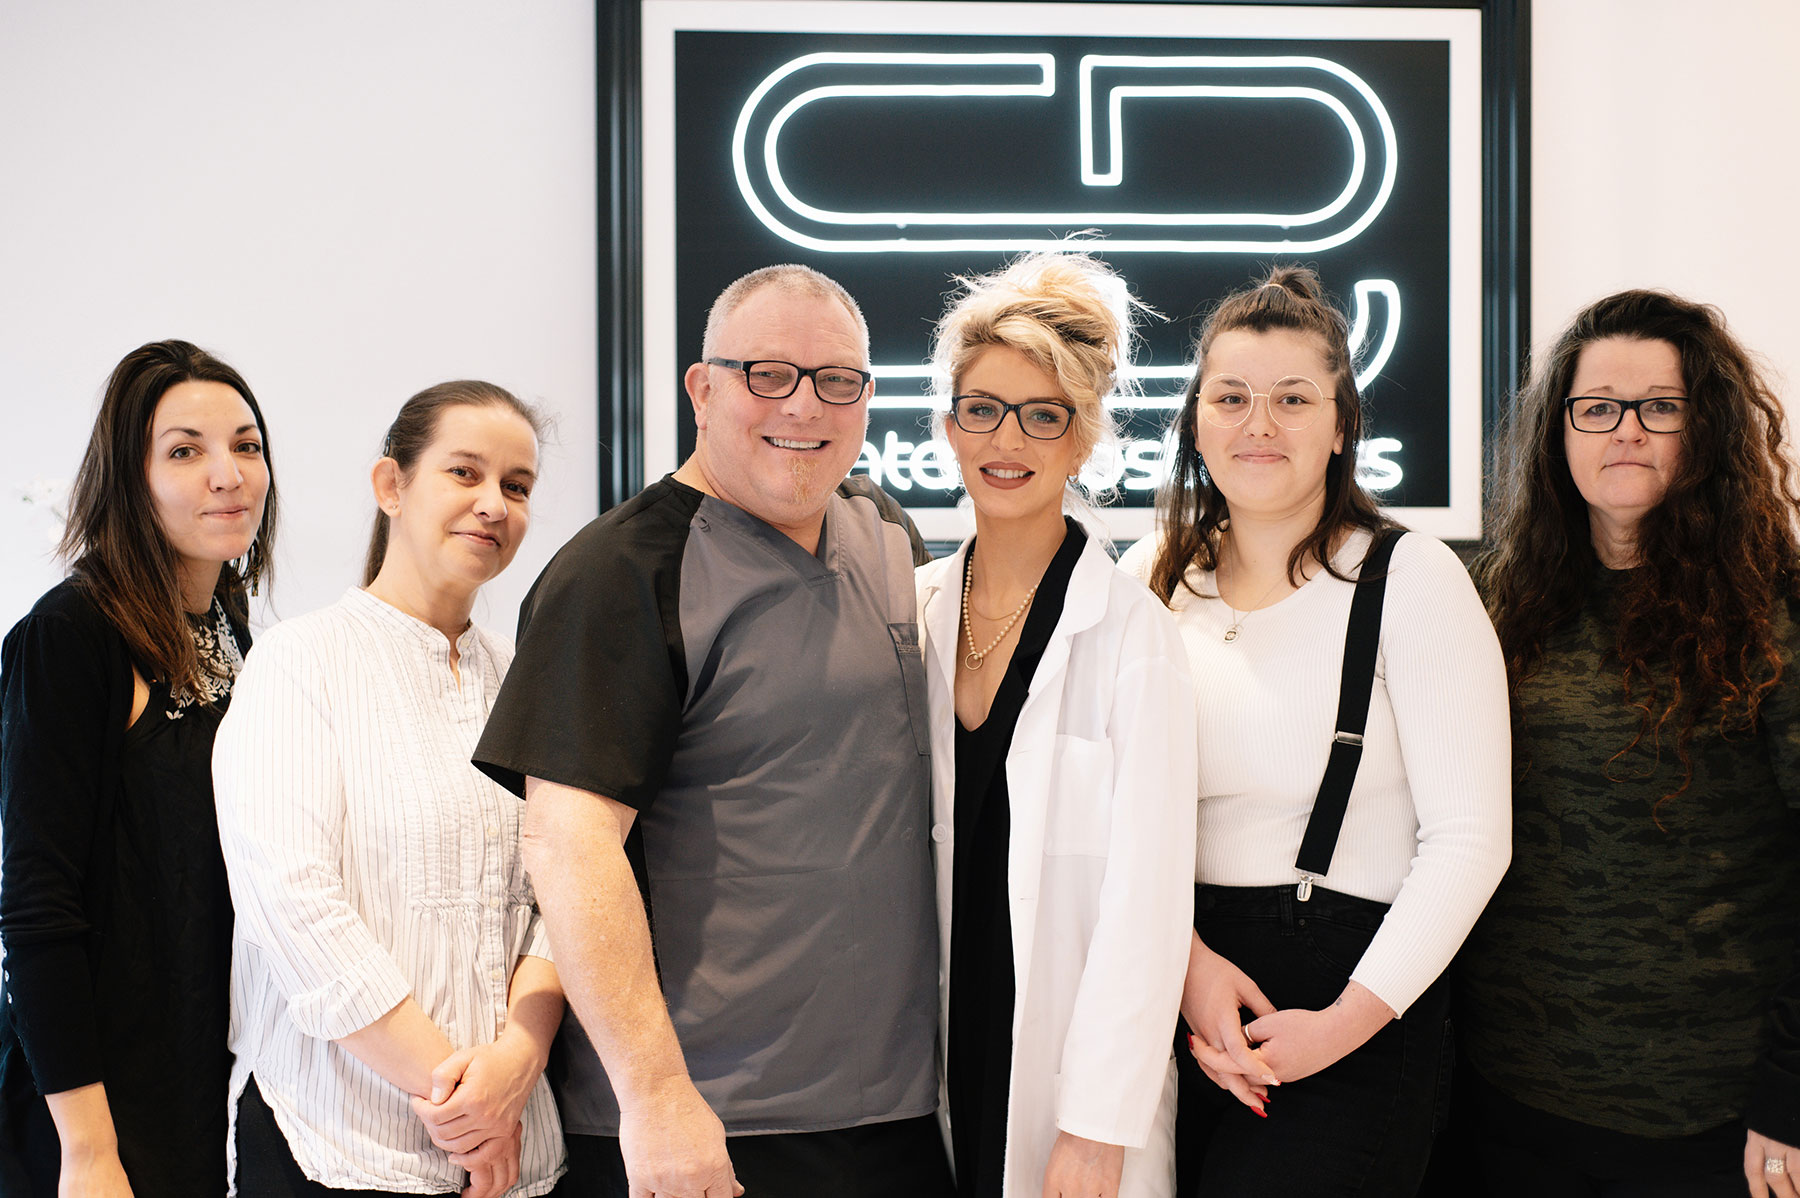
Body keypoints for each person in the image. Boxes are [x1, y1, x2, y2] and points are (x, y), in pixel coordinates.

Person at [471, 264, 951, 1198]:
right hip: (710, 1128)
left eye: (837, 380)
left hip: (896, 1116)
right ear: (702, 388)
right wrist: (657, 1098)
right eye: (767, 374)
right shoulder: (620, 572)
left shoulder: (886, 533)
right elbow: (569, 851)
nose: (805, 407)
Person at [1118, 266, 1511, 1196]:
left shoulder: (1408, 579)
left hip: (1355, 1003)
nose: (1260, 423)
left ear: (1341, 427)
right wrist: (1187, 969)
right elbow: (1108, 820)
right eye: (1232, 397)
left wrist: (1336, 1026)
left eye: (1294, 398)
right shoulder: (1149, 577)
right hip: (1175, 992)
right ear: (1196, 421)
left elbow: (1471, 841)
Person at [1459, 289, 1800, 1197]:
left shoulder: (1776, 611)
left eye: (1661, 407)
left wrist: (1791, 1094)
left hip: (1708, 1115)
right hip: (1507, 1099)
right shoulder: (1496, 601)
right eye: (1597, 408)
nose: (1626, 432)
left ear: (1709, 429)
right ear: (1559, 431)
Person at [212, 381, 565, 1198]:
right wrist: (459, 1101)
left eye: (516, 487)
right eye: (465, 473)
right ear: (392, 486)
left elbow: (562, 898)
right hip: (337, 1141)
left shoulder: (525, 682)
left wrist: (515, 1066)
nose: (493, 505)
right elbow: (292, 902)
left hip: (513, 1147)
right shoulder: (300, 661)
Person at [916, 252, 1198, 1197]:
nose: (1009, 439)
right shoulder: (909, 615)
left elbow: (1148, 906)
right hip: (924, 1069)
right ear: (949, 427)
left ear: (1083, 441)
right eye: (983, 408)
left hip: (1066, 1078)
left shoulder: (1131, 637)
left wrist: (1097, 1124)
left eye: (1044, 416)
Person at [0, 340, 277, 1197]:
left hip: (197, 1070)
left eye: (247, 445)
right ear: (130, 477)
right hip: (92, 1109)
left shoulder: (225, 621)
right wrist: (86, 1148)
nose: (227, 474)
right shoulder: (73, 633)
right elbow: (35, 904)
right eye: (185, 451)